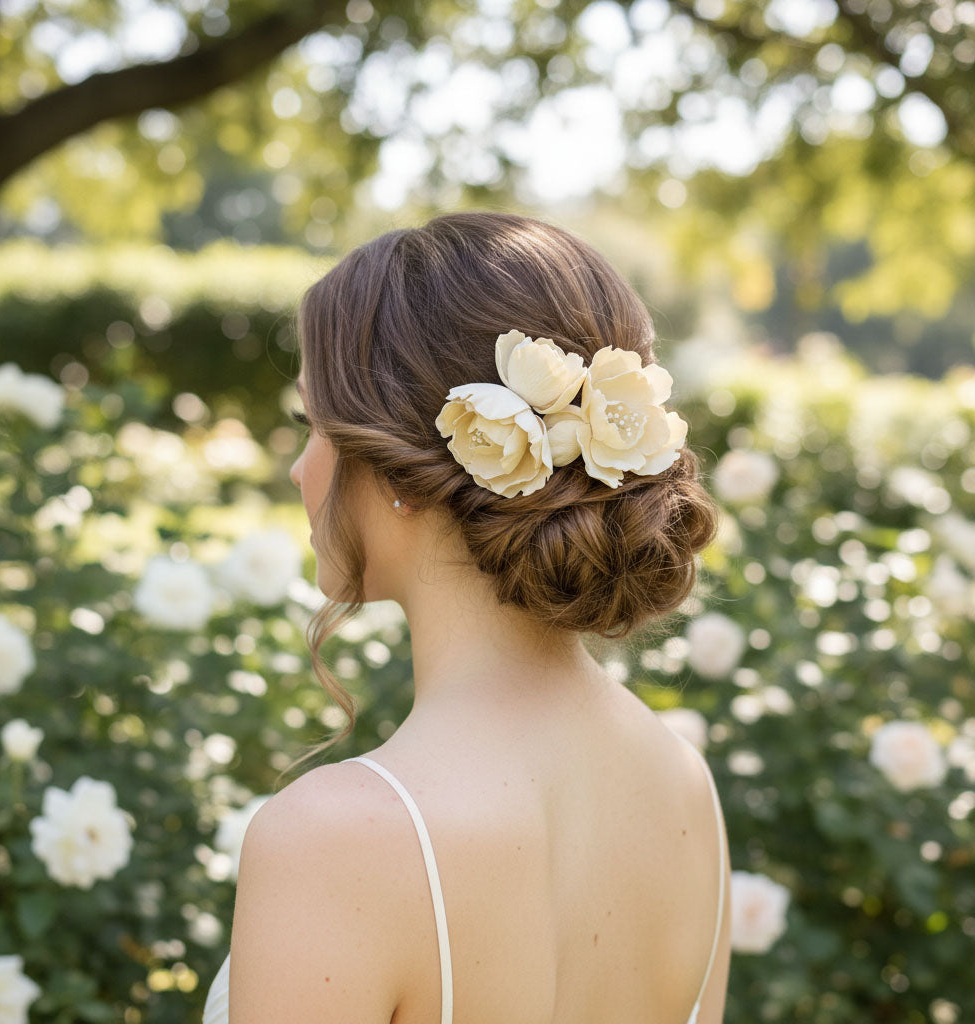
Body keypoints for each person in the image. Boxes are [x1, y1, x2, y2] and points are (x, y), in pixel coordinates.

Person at [202, 211, 730, 1024]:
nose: (302, 469)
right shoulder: (685, 790)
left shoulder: (336, 840)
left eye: (315, 425)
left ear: (401, 466)